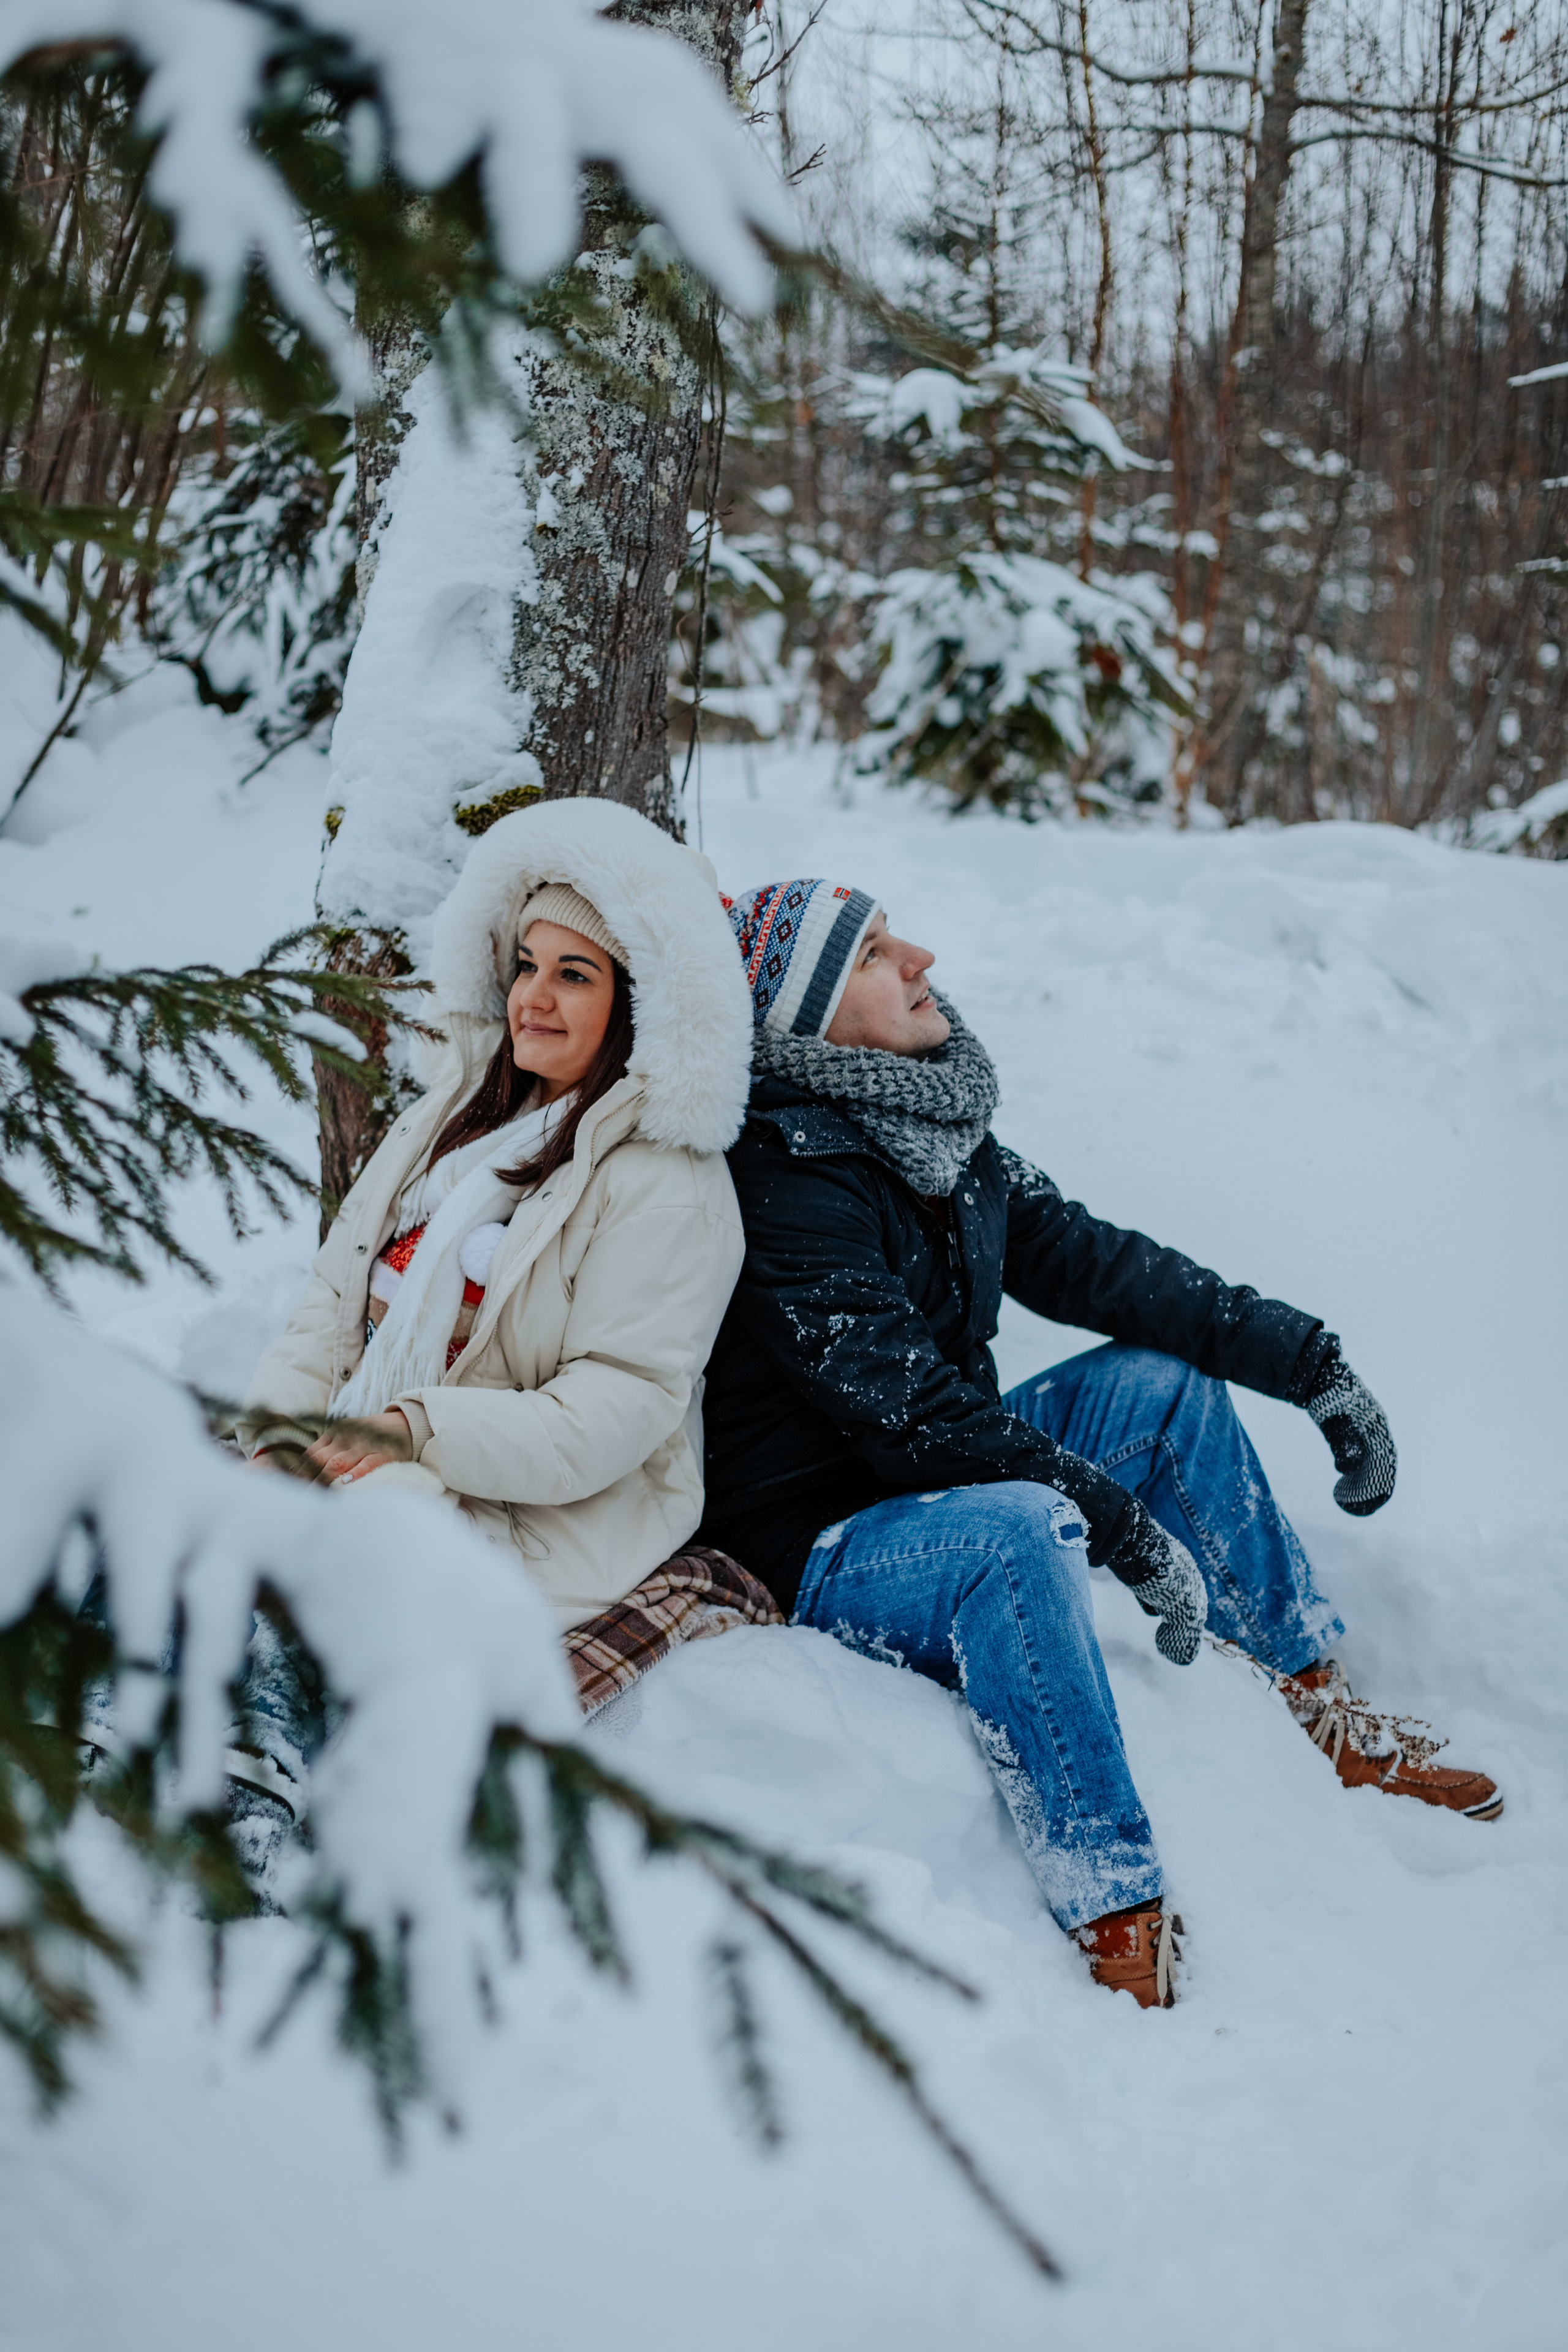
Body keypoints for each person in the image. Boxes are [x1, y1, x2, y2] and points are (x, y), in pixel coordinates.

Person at [699, 878, 1501, 2009]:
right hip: (828, 1541)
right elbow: (911, 1411)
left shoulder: (934, 1130)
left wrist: (1306, 1362)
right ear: (811, 1012)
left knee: (1154, 1387)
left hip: (947, 1476)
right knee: (1021, 1527)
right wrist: (1116, 1524)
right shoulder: (781, 1177)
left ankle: (1310, 1693)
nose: (922, 956)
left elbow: (1100, 1264)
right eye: (879, 953)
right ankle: (1111, 1897)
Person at [225, 799, 753, 1856]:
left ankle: (262, 1807)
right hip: (369, 1444)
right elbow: (334, 1302)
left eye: (576, 975)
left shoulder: (668, 1185)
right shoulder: (454, 1116)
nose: (534, 1000)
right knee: (180, 1510)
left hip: (544, 1512)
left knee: (340, 1564)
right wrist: (281, 1433)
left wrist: (415, 1428)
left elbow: (614, 1409)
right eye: (525, 964)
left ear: (640, 1003)